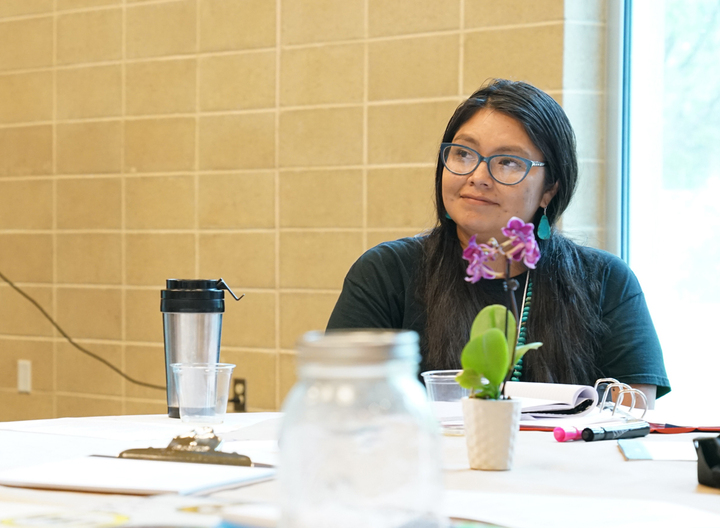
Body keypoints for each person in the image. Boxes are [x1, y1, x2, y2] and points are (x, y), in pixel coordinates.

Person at [327, 79, 669, 408]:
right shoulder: (385, 272)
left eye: (507, 162)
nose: (477, 176)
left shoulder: (606, 280)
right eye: (463, 154)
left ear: (549, 189)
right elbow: (342, 405)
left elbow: (631, 416)